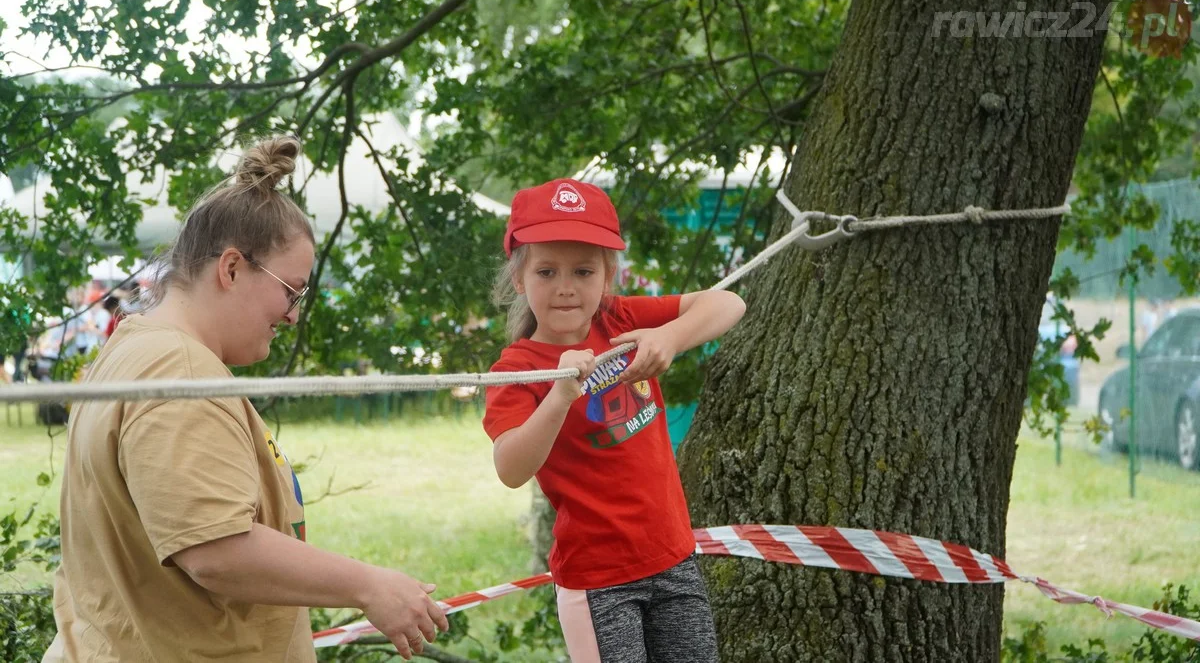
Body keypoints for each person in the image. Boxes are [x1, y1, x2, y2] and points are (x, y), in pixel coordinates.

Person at [44, 136, 448, 662]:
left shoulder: (134, 347)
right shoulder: (180, 372)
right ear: (231, 269)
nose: (294, 315)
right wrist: (368, 585)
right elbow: (214, 550)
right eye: (292, 290)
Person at [483, 178, 746, 662]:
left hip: (675, 556)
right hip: (599, 581)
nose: (566, 288)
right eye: (547, 272)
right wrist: (561, 395)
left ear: (607, 276)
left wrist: (669, 338)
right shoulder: (517, 368)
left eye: (583, 271)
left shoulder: (621, 321)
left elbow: (729, 303)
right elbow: (511, 467)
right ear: (519, 279)